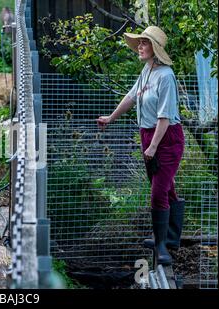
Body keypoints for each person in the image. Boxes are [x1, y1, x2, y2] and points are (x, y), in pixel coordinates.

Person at [96, 26, 185, 265]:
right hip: (148, 135)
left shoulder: (166, 76)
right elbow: (131, 97)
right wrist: (111, 118)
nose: (140, 48)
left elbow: (165, 116)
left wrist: (154, 146)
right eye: (140, 43)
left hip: (166, 139)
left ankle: (161, 244)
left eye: (144, 43)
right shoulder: (147, 70)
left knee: (158, 192)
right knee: (165, 188)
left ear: (154, 48)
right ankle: (171, 237)